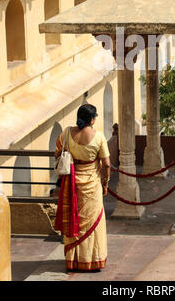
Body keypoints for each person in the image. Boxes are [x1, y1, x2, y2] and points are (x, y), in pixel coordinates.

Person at [54, 103, 111, 272]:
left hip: (71, 185)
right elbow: (107, 164)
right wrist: (105, 183)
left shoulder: (65, 133)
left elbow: (57, 154)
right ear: (92, 120)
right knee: (93, 223)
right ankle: (92, 260)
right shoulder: (98, 137)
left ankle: (74, 261)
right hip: (92, 186)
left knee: (74, 220)